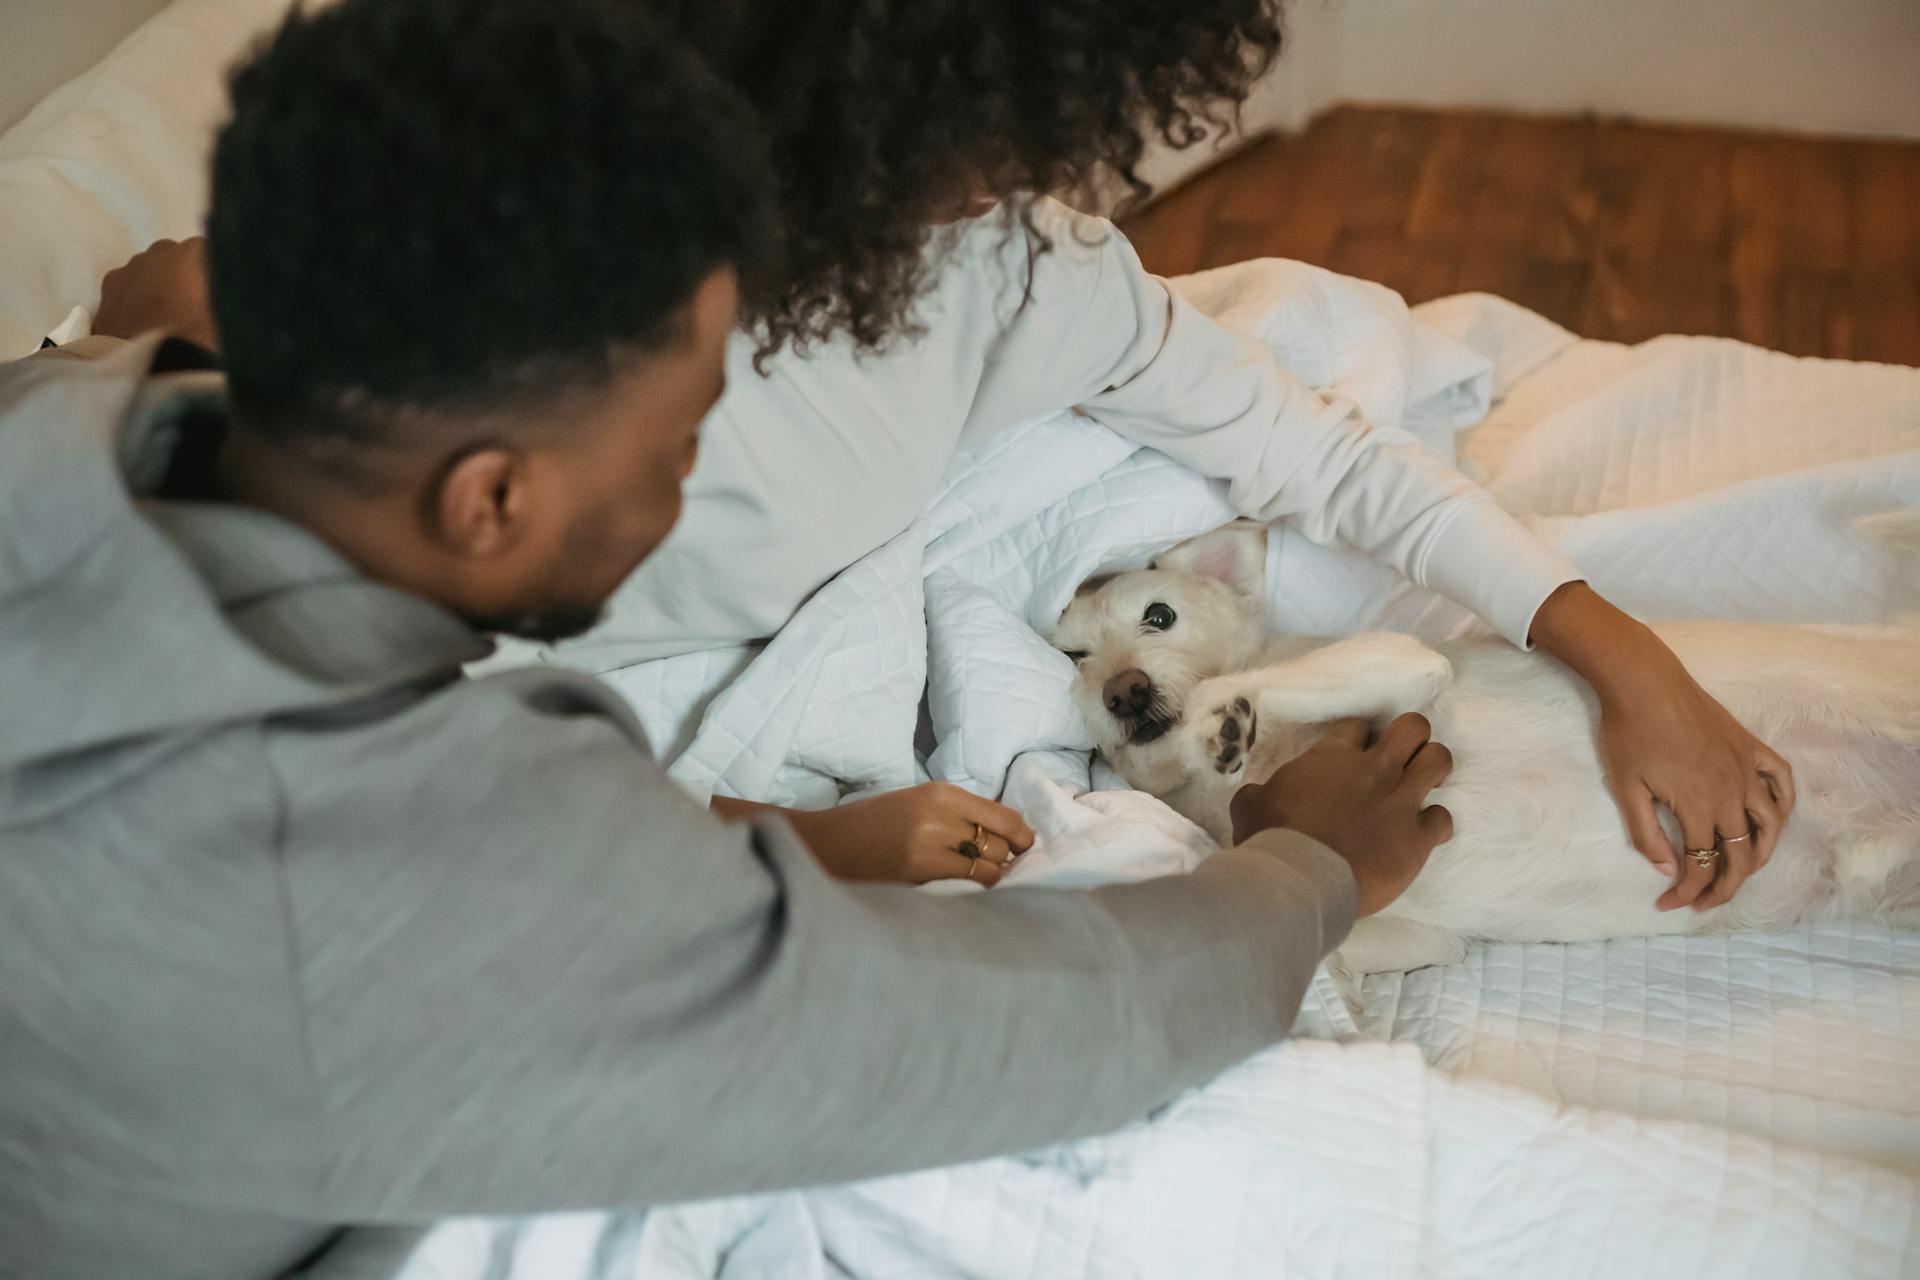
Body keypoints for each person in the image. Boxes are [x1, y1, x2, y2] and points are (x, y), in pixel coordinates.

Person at [0, 2, 1451, 1276]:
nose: (689, 484)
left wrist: (115, 356)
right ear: (490, 497)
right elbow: (1038, 1026)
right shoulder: (419, 854)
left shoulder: (74, 407)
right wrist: (1307, 870)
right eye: (679, 442)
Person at [95, 0, 1797, 909]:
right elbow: (391, 767)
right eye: (997, 134)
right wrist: (803, 846)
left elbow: (1322, 457)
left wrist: (1613, 643)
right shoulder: (511, 301)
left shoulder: (1021, 270)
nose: (1046, 174)